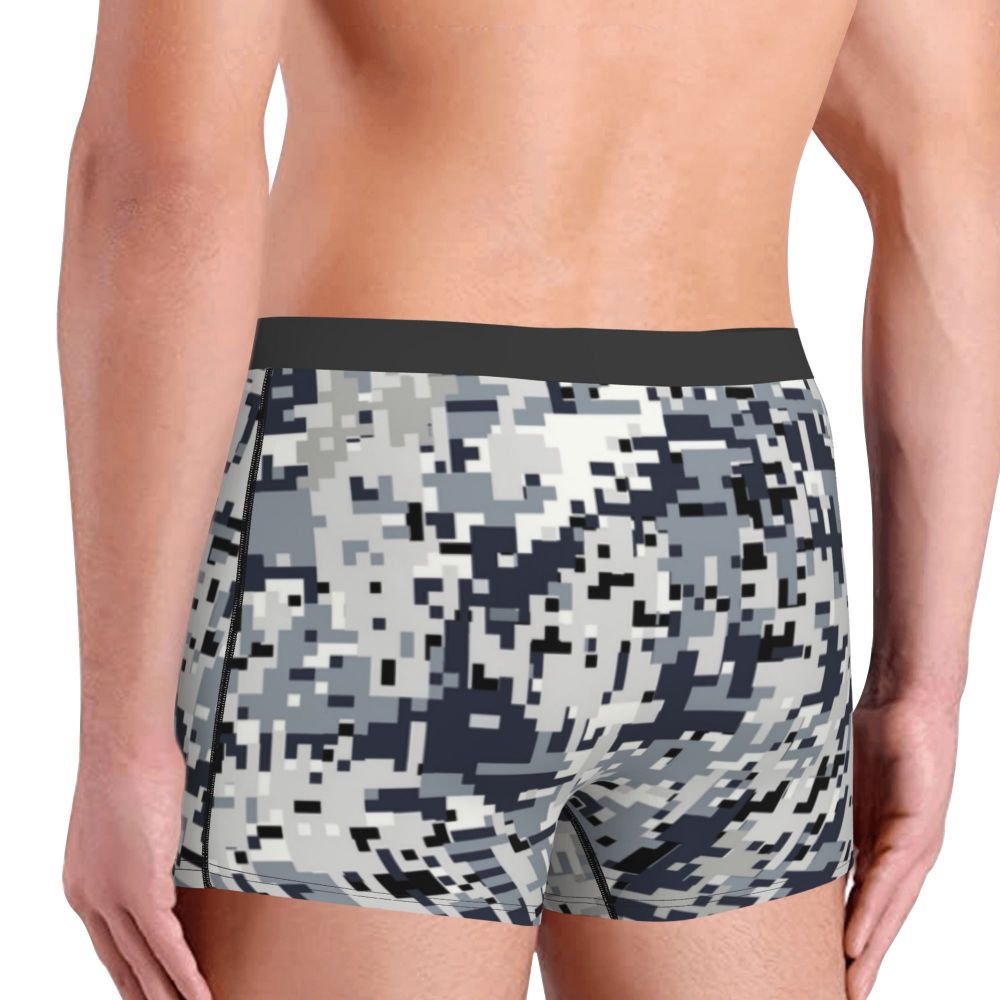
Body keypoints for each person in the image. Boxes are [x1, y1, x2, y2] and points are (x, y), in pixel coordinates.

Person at [57, 2, 998, 999]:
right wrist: (921, 689)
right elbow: (955, 186)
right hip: (737, 509)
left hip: (390, 487)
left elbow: (162, 180)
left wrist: (123, 736)